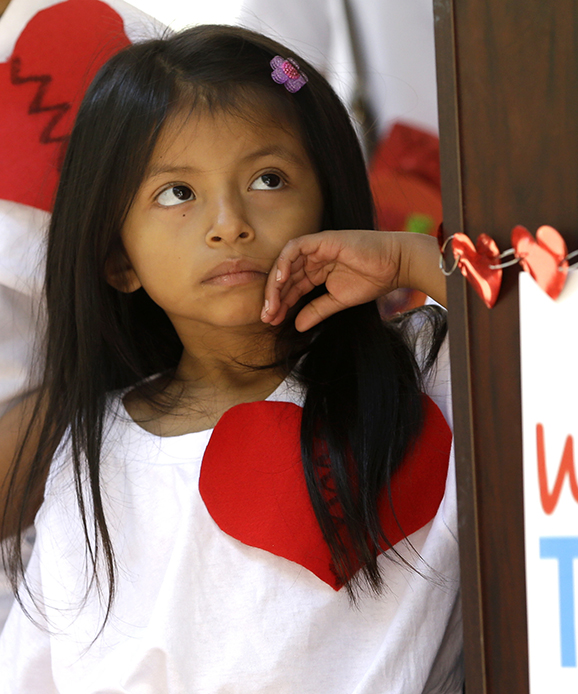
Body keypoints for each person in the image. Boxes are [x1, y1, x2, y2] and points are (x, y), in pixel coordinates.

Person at [0, 24, 459, 693]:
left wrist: (406, 258)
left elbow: (550, 317)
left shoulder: (424, 368)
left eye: (268, 179)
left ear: (328, 198)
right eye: (177, 193)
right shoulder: (88, 451)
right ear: (118, 258)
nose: (229, 222)